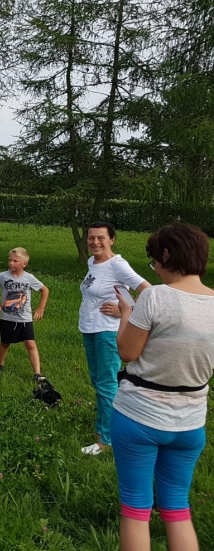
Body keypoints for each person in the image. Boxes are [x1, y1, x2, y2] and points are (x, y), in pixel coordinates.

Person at [111, 223, 214, 551]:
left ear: (166, 255)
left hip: (138, 417)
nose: (154, 268)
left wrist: (126, 313)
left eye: (154, 260)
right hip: (191, 423)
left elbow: (127, 352)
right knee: (177, 506)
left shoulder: (155, 296)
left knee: (136, 506)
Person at [78, 222, 151, 456]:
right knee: (98, 381)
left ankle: (107, 439)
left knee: (107, 383)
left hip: (107, 331)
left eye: (101, 238)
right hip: (90, 328)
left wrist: (126, 311)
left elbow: (148, 291)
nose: (95, 242)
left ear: (112, 240)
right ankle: (102, 427)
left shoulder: (117, 264)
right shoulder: (93, 262)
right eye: (91, 238)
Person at [0, 247, 49, 379]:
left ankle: (37, 373)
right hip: (7, 318)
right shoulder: (3, 276)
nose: (11, 263)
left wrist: (41, 308)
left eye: (15, 261)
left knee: (30, 344)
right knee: (5, 343)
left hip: (25, 319)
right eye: (9, 260)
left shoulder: (29, 278)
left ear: (24, 264)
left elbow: (45, 290)